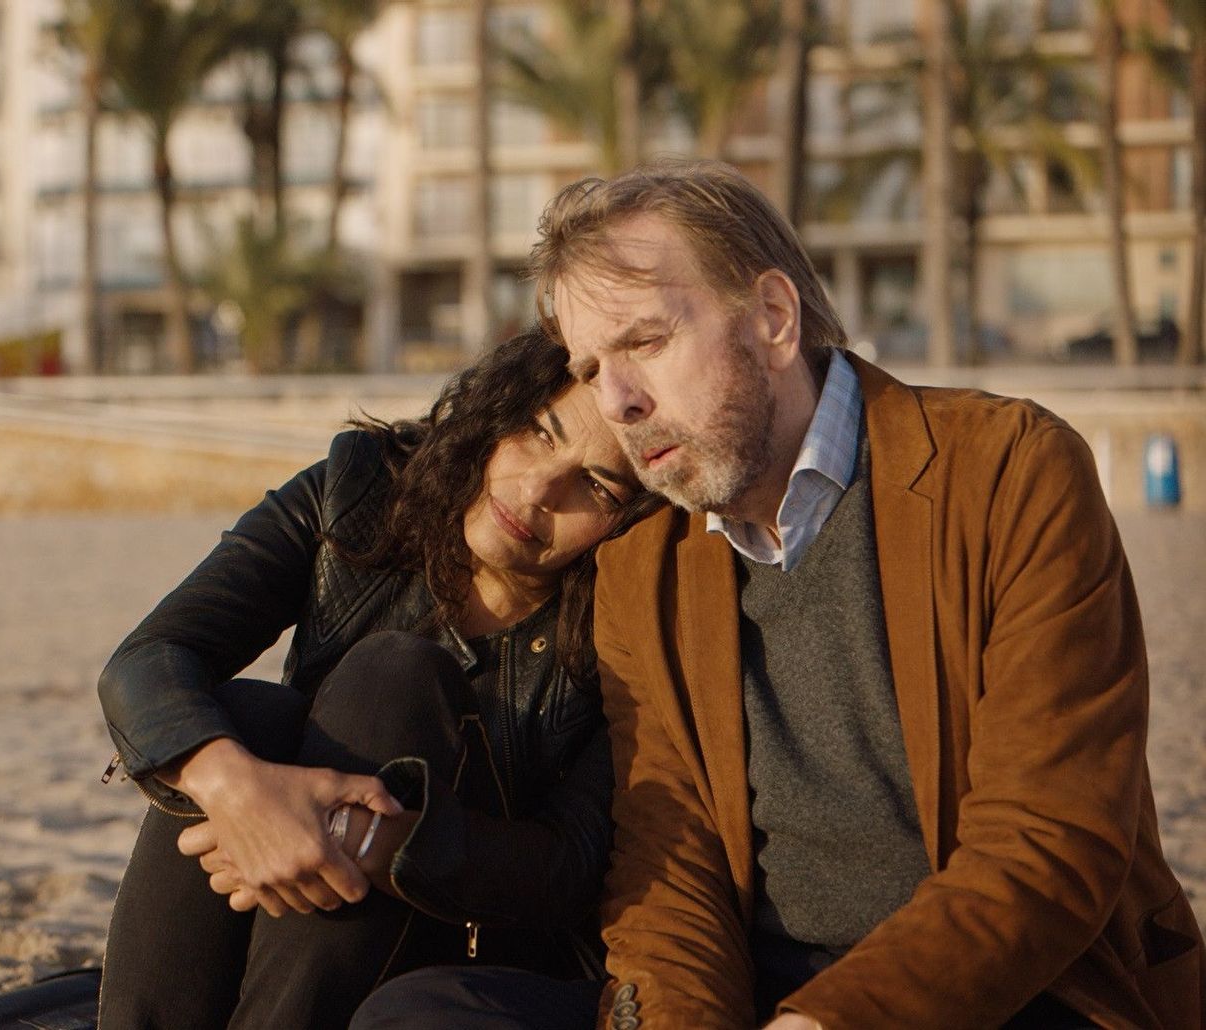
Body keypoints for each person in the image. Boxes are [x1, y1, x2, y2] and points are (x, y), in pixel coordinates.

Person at [355, 162, 1204, 1029]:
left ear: (771, 317)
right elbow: (669, 855)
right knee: (420, 1014)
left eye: (644, 342)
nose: (617, 401)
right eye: (590, 364)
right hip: (748, 996)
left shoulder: (1010, 471)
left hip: (995, 992)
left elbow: (1048, 842)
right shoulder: (641, 563)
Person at [94, 328, 658, 1030]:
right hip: (289, 918)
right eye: (539, 435)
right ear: (499, 412)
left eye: (596, 486)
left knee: (394, 674)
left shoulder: (630, 619)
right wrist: (240, 795)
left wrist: (365, 836)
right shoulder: (358, 490)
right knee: (245, 718)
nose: (540, 489)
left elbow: (567, 865)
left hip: (461, 936)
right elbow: (150, 657)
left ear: (632, 518)